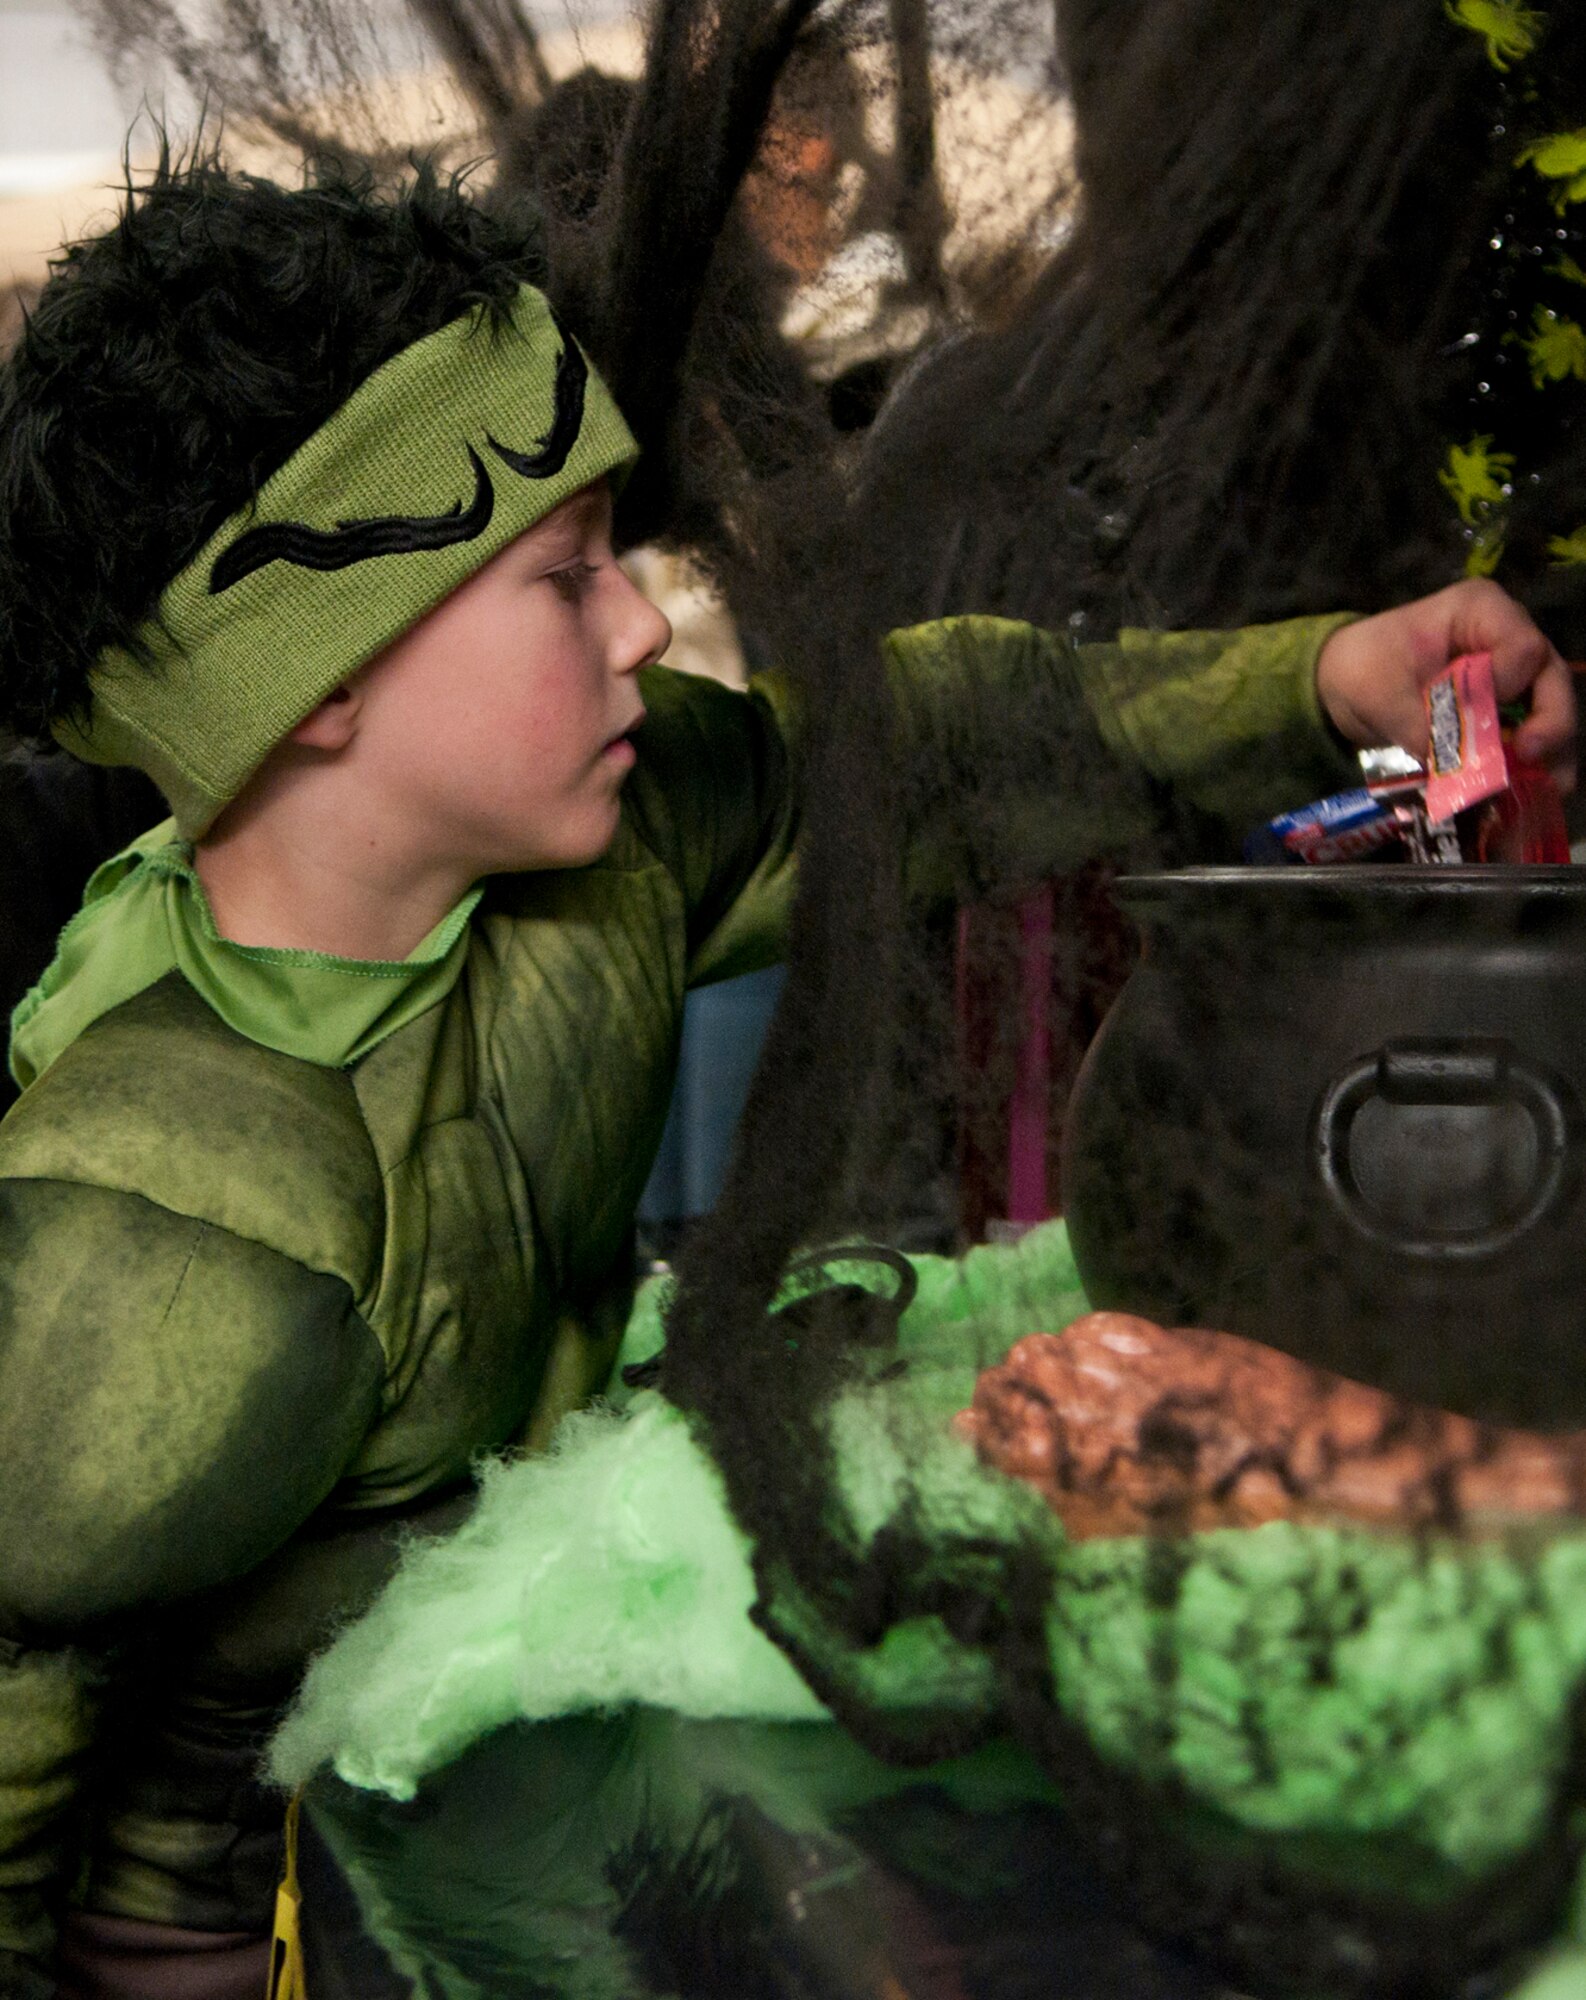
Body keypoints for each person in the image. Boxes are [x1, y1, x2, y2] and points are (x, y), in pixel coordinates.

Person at [0, 150, 1573, 2000]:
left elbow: (932, 751)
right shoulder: (177, 1226)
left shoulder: (609, 853)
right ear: (310, 679)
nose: (643, 628)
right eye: (563, 580)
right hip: (215, 1902)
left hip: (481, 1764)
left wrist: (1319, 681)